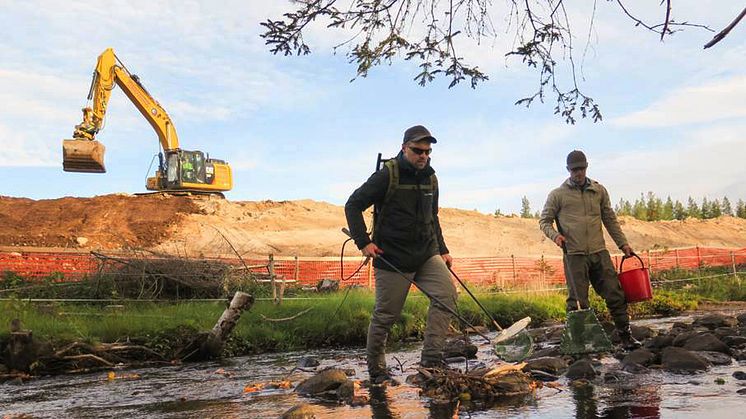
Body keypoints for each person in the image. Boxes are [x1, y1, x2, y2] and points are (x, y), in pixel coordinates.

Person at [345, 125, 456, 386]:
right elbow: (353, 204)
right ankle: (377, 371)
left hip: (427, 253)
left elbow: (433, 217)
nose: (423, 156)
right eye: (418, 150)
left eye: (428, 152)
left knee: (447, 296)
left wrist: (443, 249)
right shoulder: (387, 175)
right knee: (386, 315)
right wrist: (364, 242)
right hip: (392, 257)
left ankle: (430, 362)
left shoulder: (431, 178)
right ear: (405, 147)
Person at [539, 150, 642, 350]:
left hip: (599, 252)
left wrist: (623, 244)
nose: (578, 172)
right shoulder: (557, 195)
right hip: (573, 254)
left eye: (582, 168)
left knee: (615, 294)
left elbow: (610, 219)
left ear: (587, 167)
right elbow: (544, 221)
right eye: (574, 169)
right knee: (578, 302)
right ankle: (580, 344)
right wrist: (556, 236)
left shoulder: (599, 191)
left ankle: (625, 336)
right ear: (568, 170)